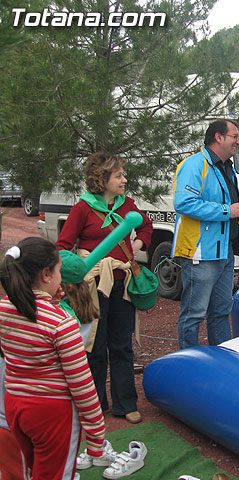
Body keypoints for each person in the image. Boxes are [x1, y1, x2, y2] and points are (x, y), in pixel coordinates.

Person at [57, 152, 153, 424]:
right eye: (119, 175)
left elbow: (146, 226)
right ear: (103, 179)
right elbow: (63, 247)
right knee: (95, 347)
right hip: (93, 288)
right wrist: (80, 263)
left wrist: (137, 246)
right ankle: (95, 403)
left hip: (122, 285)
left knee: (121, 345)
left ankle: (126, 403)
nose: (125, 179)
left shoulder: (128, 205)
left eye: (123, 174)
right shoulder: (82, 209)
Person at [0, 238, 105, 479]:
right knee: (55, 474)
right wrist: (96, 430)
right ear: (47, 275)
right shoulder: (61, 324)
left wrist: (50, 302)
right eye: (58, 271)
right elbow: (81, 384)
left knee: (29, 469)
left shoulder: (4, 308)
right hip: (52, 414)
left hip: (15, 405)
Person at [172, 119, 239, 349]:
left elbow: (225, 204)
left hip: (225, 250)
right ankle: (188, 364)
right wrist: (227, 211)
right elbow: (183, 203)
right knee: (194, 314)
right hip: (201, 253)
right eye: (234, 136)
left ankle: (222, 362)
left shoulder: (227, 167)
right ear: (219, 137)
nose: (238, 141)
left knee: (222, 311)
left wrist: (236, 215)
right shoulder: (194, 165)